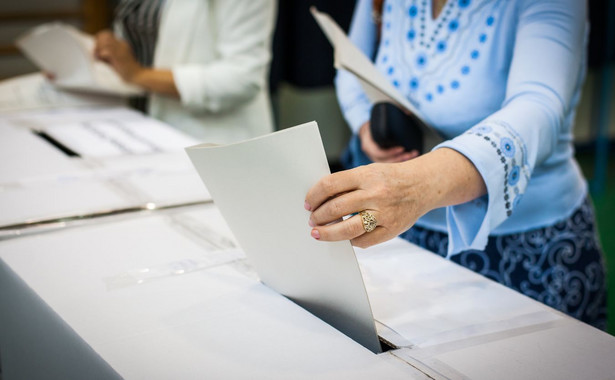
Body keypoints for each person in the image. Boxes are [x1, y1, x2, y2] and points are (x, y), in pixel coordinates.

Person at [305, 0, 607, 329]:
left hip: (526, 247)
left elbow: (539, 106)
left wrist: (415, 186)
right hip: (405, 236)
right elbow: (350, 60)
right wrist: (366, 126)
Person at [94, 0, 276, 144]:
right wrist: (114, 48)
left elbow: (242, 79)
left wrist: (138, 74)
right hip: (136, 126)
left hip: (209, 139)